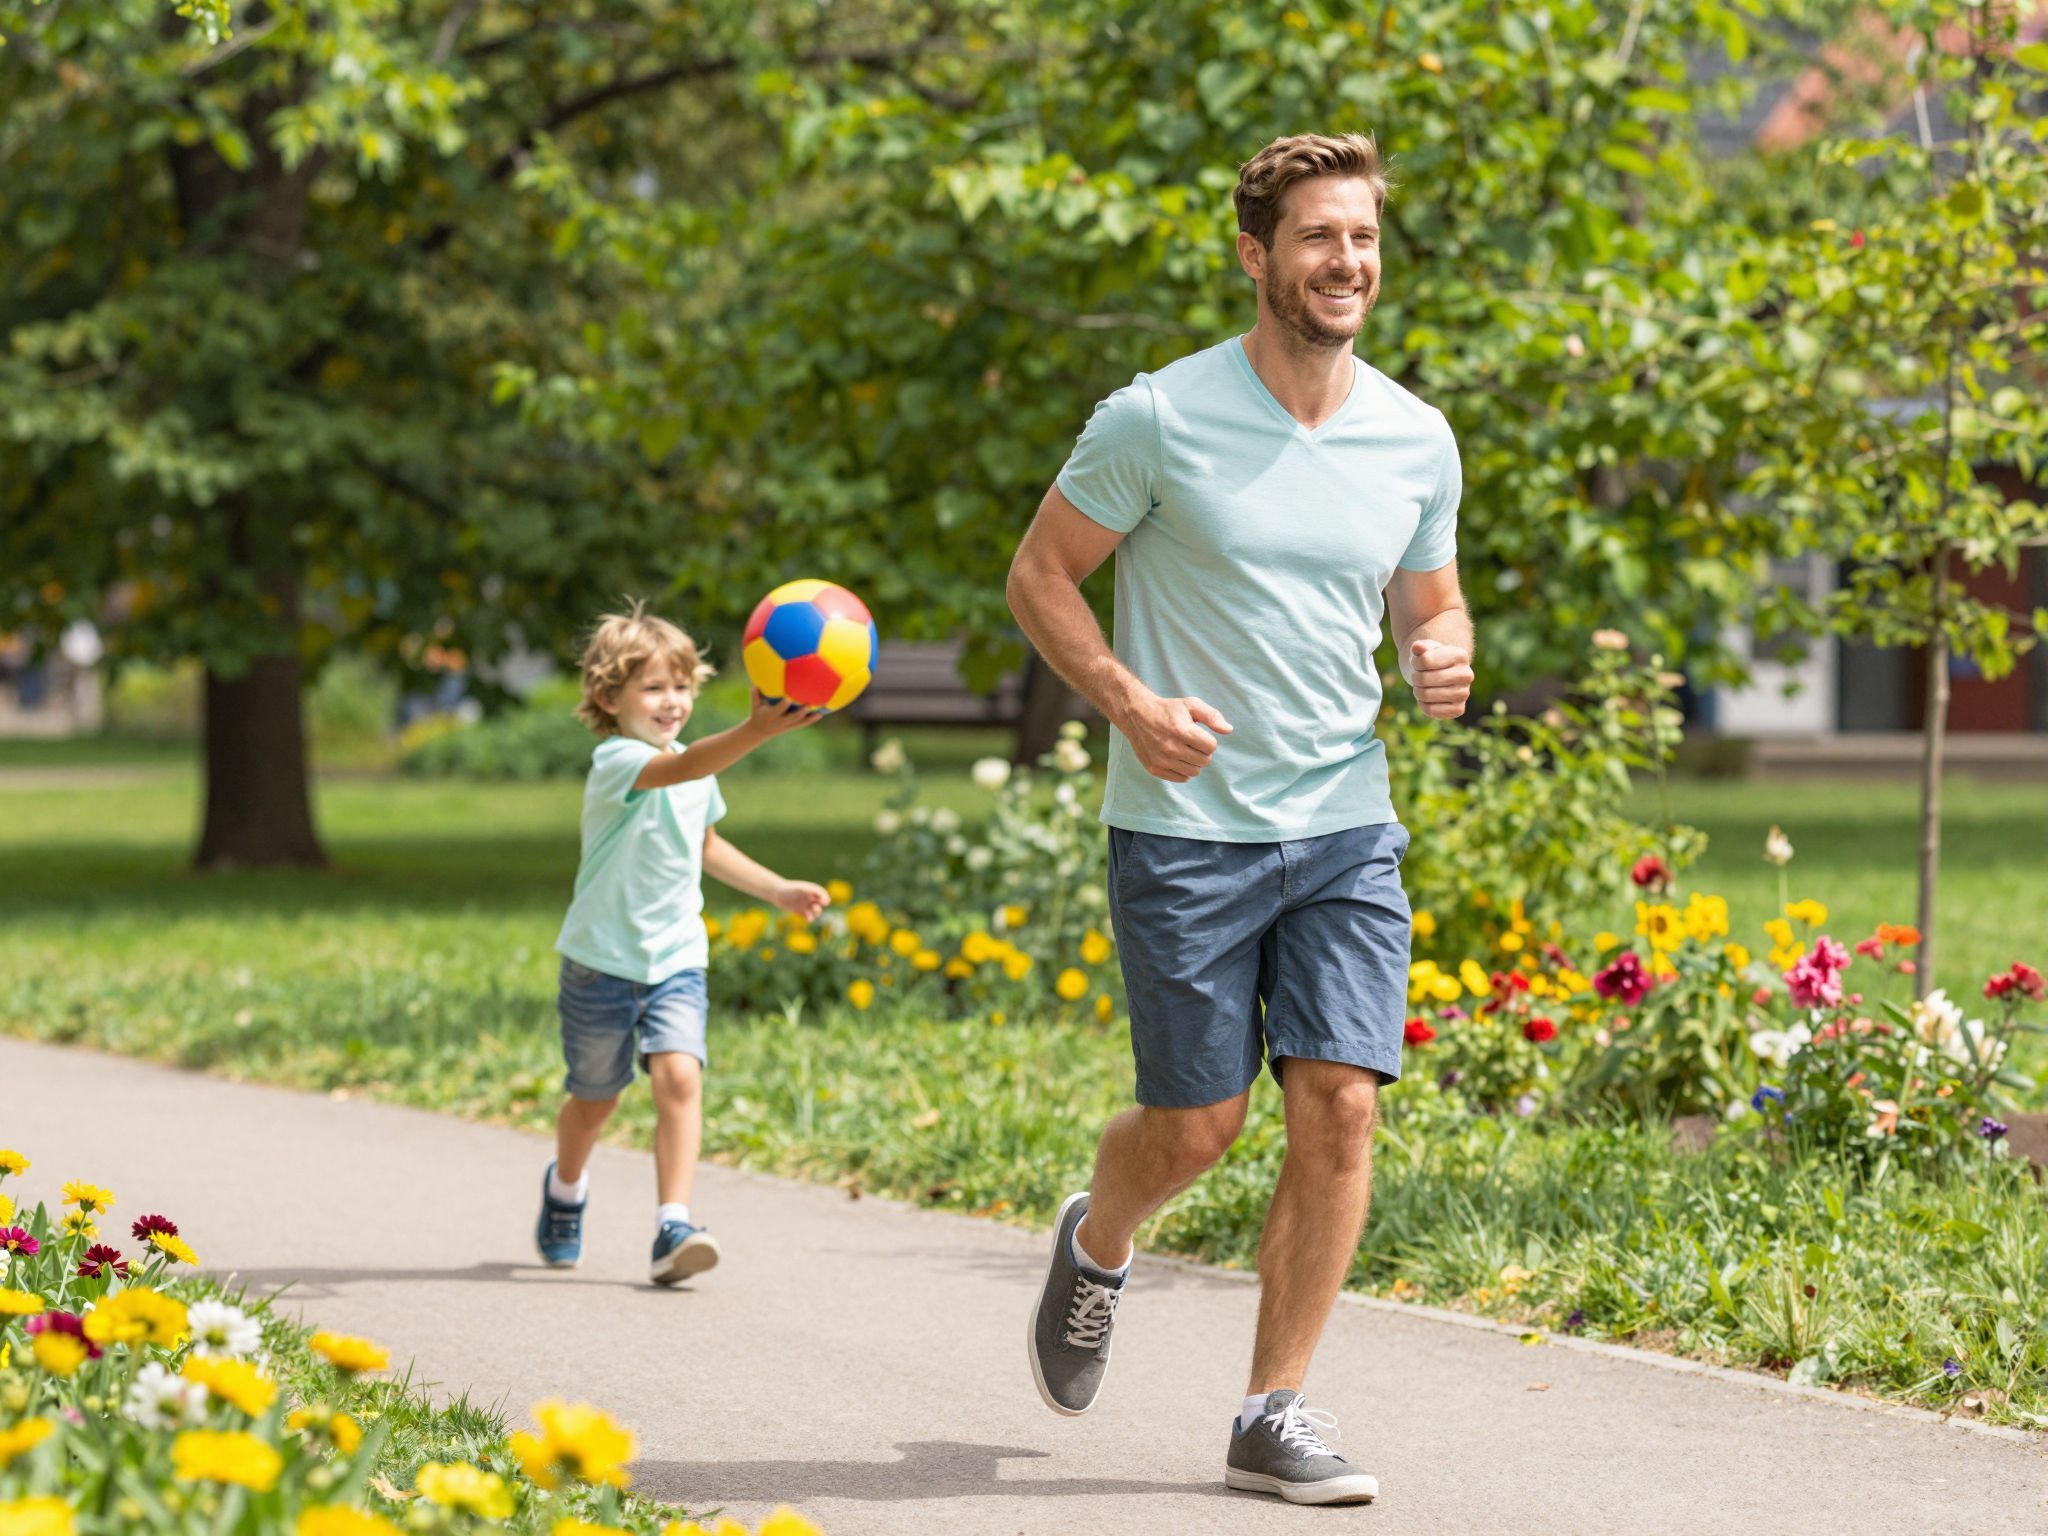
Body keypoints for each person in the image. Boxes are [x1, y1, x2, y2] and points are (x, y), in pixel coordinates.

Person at [1006, 132, 1475, 1505]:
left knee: (1339, 1107)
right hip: (1183, 823)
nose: (1349, 264)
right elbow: (1040, 577)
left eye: (1366, 240)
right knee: (1198, 1124)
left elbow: (1429, 605)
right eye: (1321, 238)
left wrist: (1442, 652)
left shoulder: (1415, 436)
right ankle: (1099, 1239)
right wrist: (1129, 701)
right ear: (1256, 255)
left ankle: (1275, 1409)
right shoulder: (1155, 417)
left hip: (1344, 823)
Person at [536, 603, 830, 1285]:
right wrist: (757, 730)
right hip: (600, 964)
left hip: (674, 959)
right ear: (610, 699)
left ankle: (674, 1221)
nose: (672, 702)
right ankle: (566, 1188)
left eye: (682, 686)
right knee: (595, 1099)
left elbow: (706, 846)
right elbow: (688, 765)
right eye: (653, 688)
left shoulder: (696, 769)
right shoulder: (617, 761)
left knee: (679, 1075)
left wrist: (776, 888)